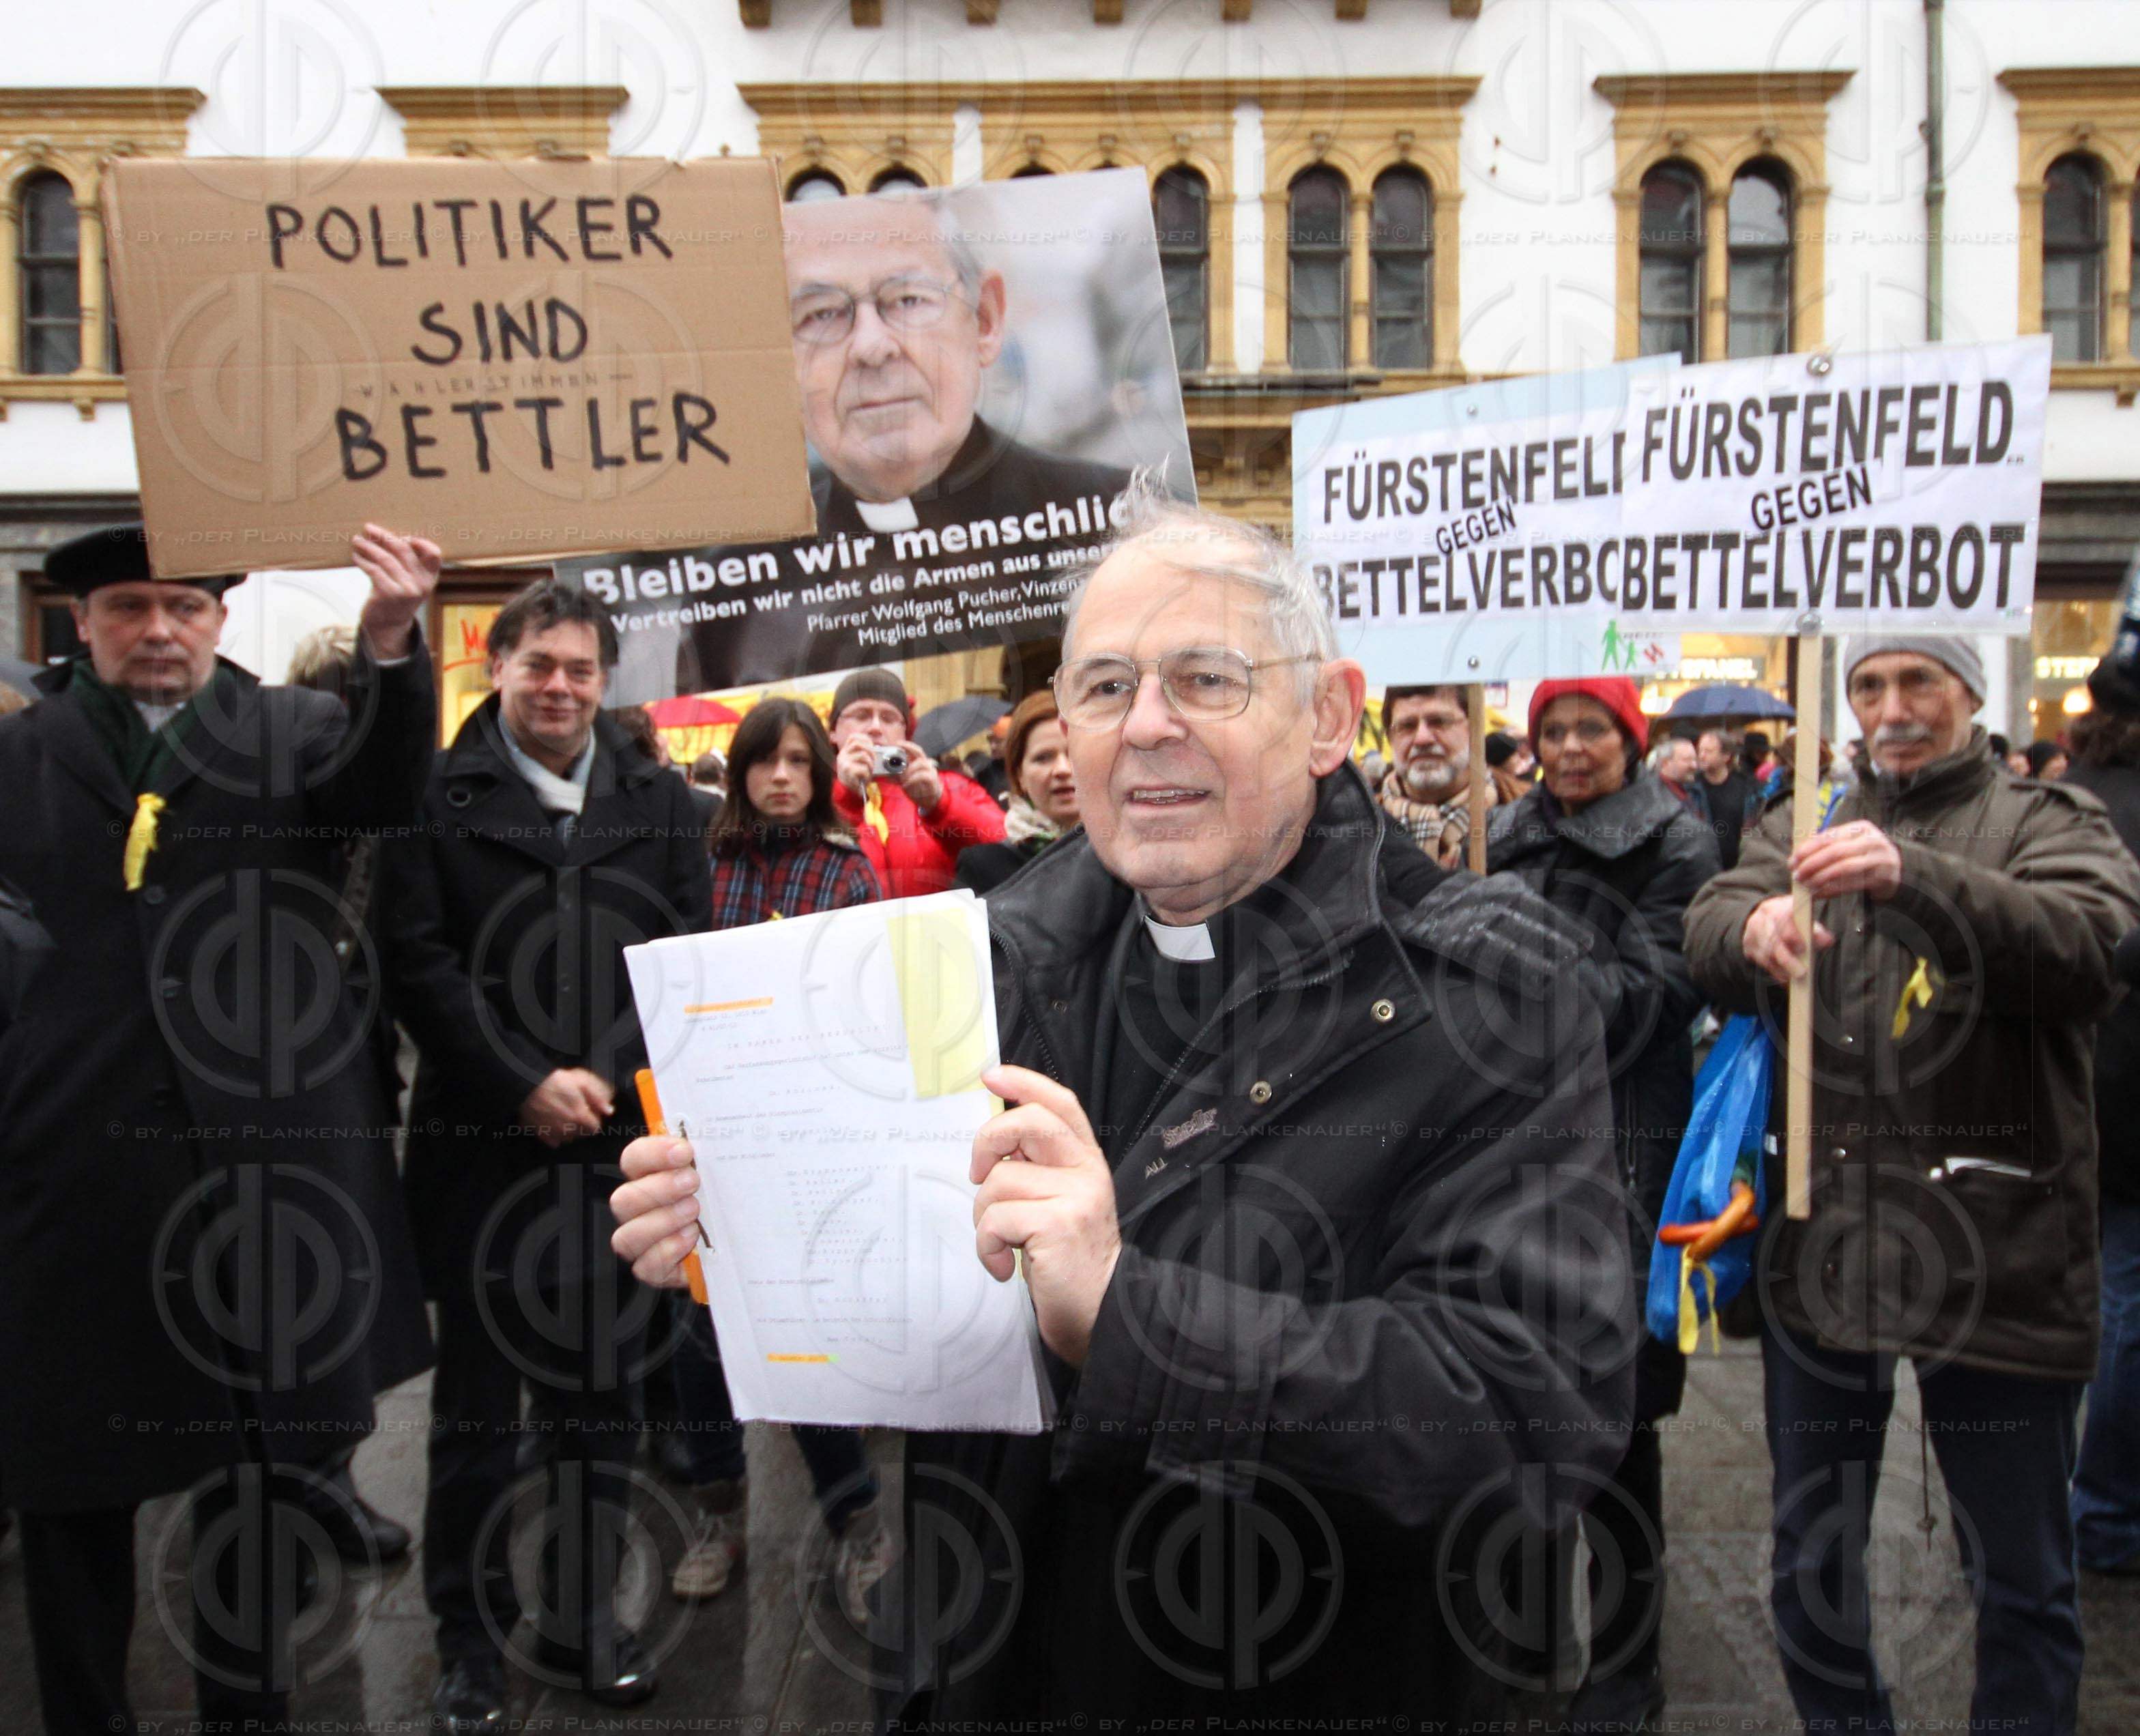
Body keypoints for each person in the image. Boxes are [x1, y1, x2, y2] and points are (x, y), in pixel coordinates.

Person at [611, 493, 1639, 1727]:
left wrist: (1129, 1315)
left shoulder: (1487, 993)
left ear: (1324, 714)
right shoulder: (980, 968)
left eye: (1204, 677)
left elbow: (1529, 1419)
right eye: (1102, 687)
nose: (1144, 726)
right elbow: (927, 1331)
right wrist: (755, 1233)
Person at [0, 521, 439, 1735]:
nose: (158, 630)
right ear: (79, 623)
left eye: (183, 607)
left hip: (262, 1178)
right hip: (74, 1182)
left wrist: (393, 637)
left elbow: (387, 792)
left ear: (217, 618)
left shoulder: (293, 734)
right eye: (130, 607)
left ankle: (253, 1713)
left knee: (257, 1485)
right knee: (70, 1487)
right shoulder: (21, 757)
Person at [1684, 633, 2140, 1735]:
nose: (1893, 706)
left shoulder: (2051, 818)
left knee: (2020, 1569)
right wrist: (1748, 928)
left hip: (1998, 1247)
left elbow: (2088, 948)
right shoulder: (1803, 817)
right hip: (1824, 1245)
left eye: (1919, 681)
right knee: (1812, 1557)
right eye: (1870, 684)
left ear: (1971, 697)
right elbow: (1703, 925)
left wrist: (1915, 875)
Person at [379, 579, 713, 1733]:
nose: (560, 687)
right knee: (473, 1425)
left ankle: (583, 1617)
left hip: (615, 1166)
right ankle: (468, 1639)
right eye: (538, 666)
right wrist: (519, 1075)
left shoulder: (662, 802)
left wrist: (607, 1075)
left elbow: (684, 954)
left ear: (603, 678)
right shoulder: (431, 795)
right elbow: (414, 959)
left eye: (579, 668)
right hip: (484, 1158)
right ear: (496, 665)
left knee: (597, 1416)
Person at [1486, 677, 1720, 1729]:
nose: (1570, 748)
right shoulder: (1499, 833)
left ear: (1631, 741)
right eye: (1552, 731)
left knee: (1618, 1434)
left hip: (1623, 1152)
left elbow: (1646, 1001)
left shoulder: (1676, 842)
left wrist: (1514, 945)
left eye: (1592, 729)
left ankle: (1626, 1673)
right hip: (1501, 1159)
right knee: (1509, 1408)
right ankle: (1526, 1644)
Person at [677, 191, 1135, 694]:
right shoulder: (733, 592)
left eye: (909, 300)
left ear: (984, 320)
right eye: (821, 314)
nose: (873, 347)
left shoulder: (1122, 525)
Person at [665, 696, 891, 1618]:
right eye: (768, 761)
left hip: (803, 1138)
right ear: (741, 768)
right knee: (698, 1344)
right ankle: (718, 1516)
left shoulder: (846, 871)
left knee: (801, 1344)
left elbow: (868, 1009)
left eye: (802, 760)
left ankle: (859, 1527)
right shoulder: (696, 863)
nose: (785, 777)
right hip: (702, 1142)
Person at [2065, 661, 2140, 1576]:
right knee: (2126, 1292)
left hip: (2069, 1080)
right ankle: (2109, 1508)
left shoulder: (2063, 801)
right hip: (2123, 1077)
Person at [827, 666, 1004, 897]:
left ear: (906, 732)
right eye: (861, 716)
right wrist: (846, 797)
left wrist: (940, 804)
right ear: (833, 731)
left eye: (889, 718)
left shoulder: (947, 786)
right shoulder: (813, 793)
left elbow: (1004, 849)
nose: (876, 728)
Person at [1374, 683, 1521, 868]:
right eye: (1407, 726)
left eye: (1439, 722)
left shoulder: (1525, 818)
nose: (1422, 739)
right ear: (1390, 737)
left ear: (1475, 729)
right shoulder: (1359, 831)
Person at [955, 690, 1080, 893]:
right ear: (1019, 775)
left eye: (1074, 752)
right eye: (1043, 758)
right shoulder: (983, 868)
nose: (1062, 769)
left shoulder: (1131, 855)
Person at [1693, 726, 1760, 871]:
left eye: (1709, 751)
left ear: (1726, 756)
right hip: (1702, 867)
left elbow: (1753, 828)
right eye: (1700, 751)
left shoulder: (1746, 787)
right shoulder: (1692, 788)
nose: (1702, 756)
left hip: (1738, 867)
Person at [1651, 734, 1699, 806]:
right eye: (1687, 760)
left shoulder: (1694, 791)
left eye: (1695, 760)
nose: (1694, 766)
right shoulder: (1653, 798)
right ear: (1665, 763)